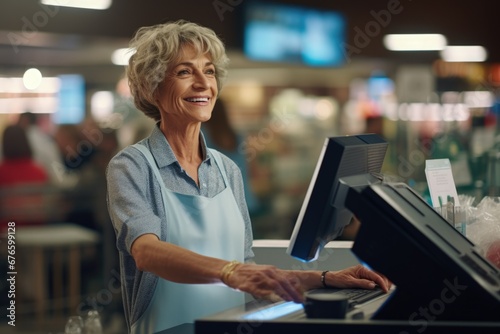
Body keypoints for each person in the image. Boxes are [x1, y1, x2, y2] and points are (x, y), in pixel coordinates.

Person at [106, 20, 390, 333]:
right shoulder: (132, 165)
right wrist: (230, 271)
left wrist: (323, 279)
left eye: (209, 70)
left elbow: (249, 273)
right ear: (152, 87)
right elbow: (147, 252)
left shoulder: (228, 169)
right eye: (184, 72)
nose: (203, 83)